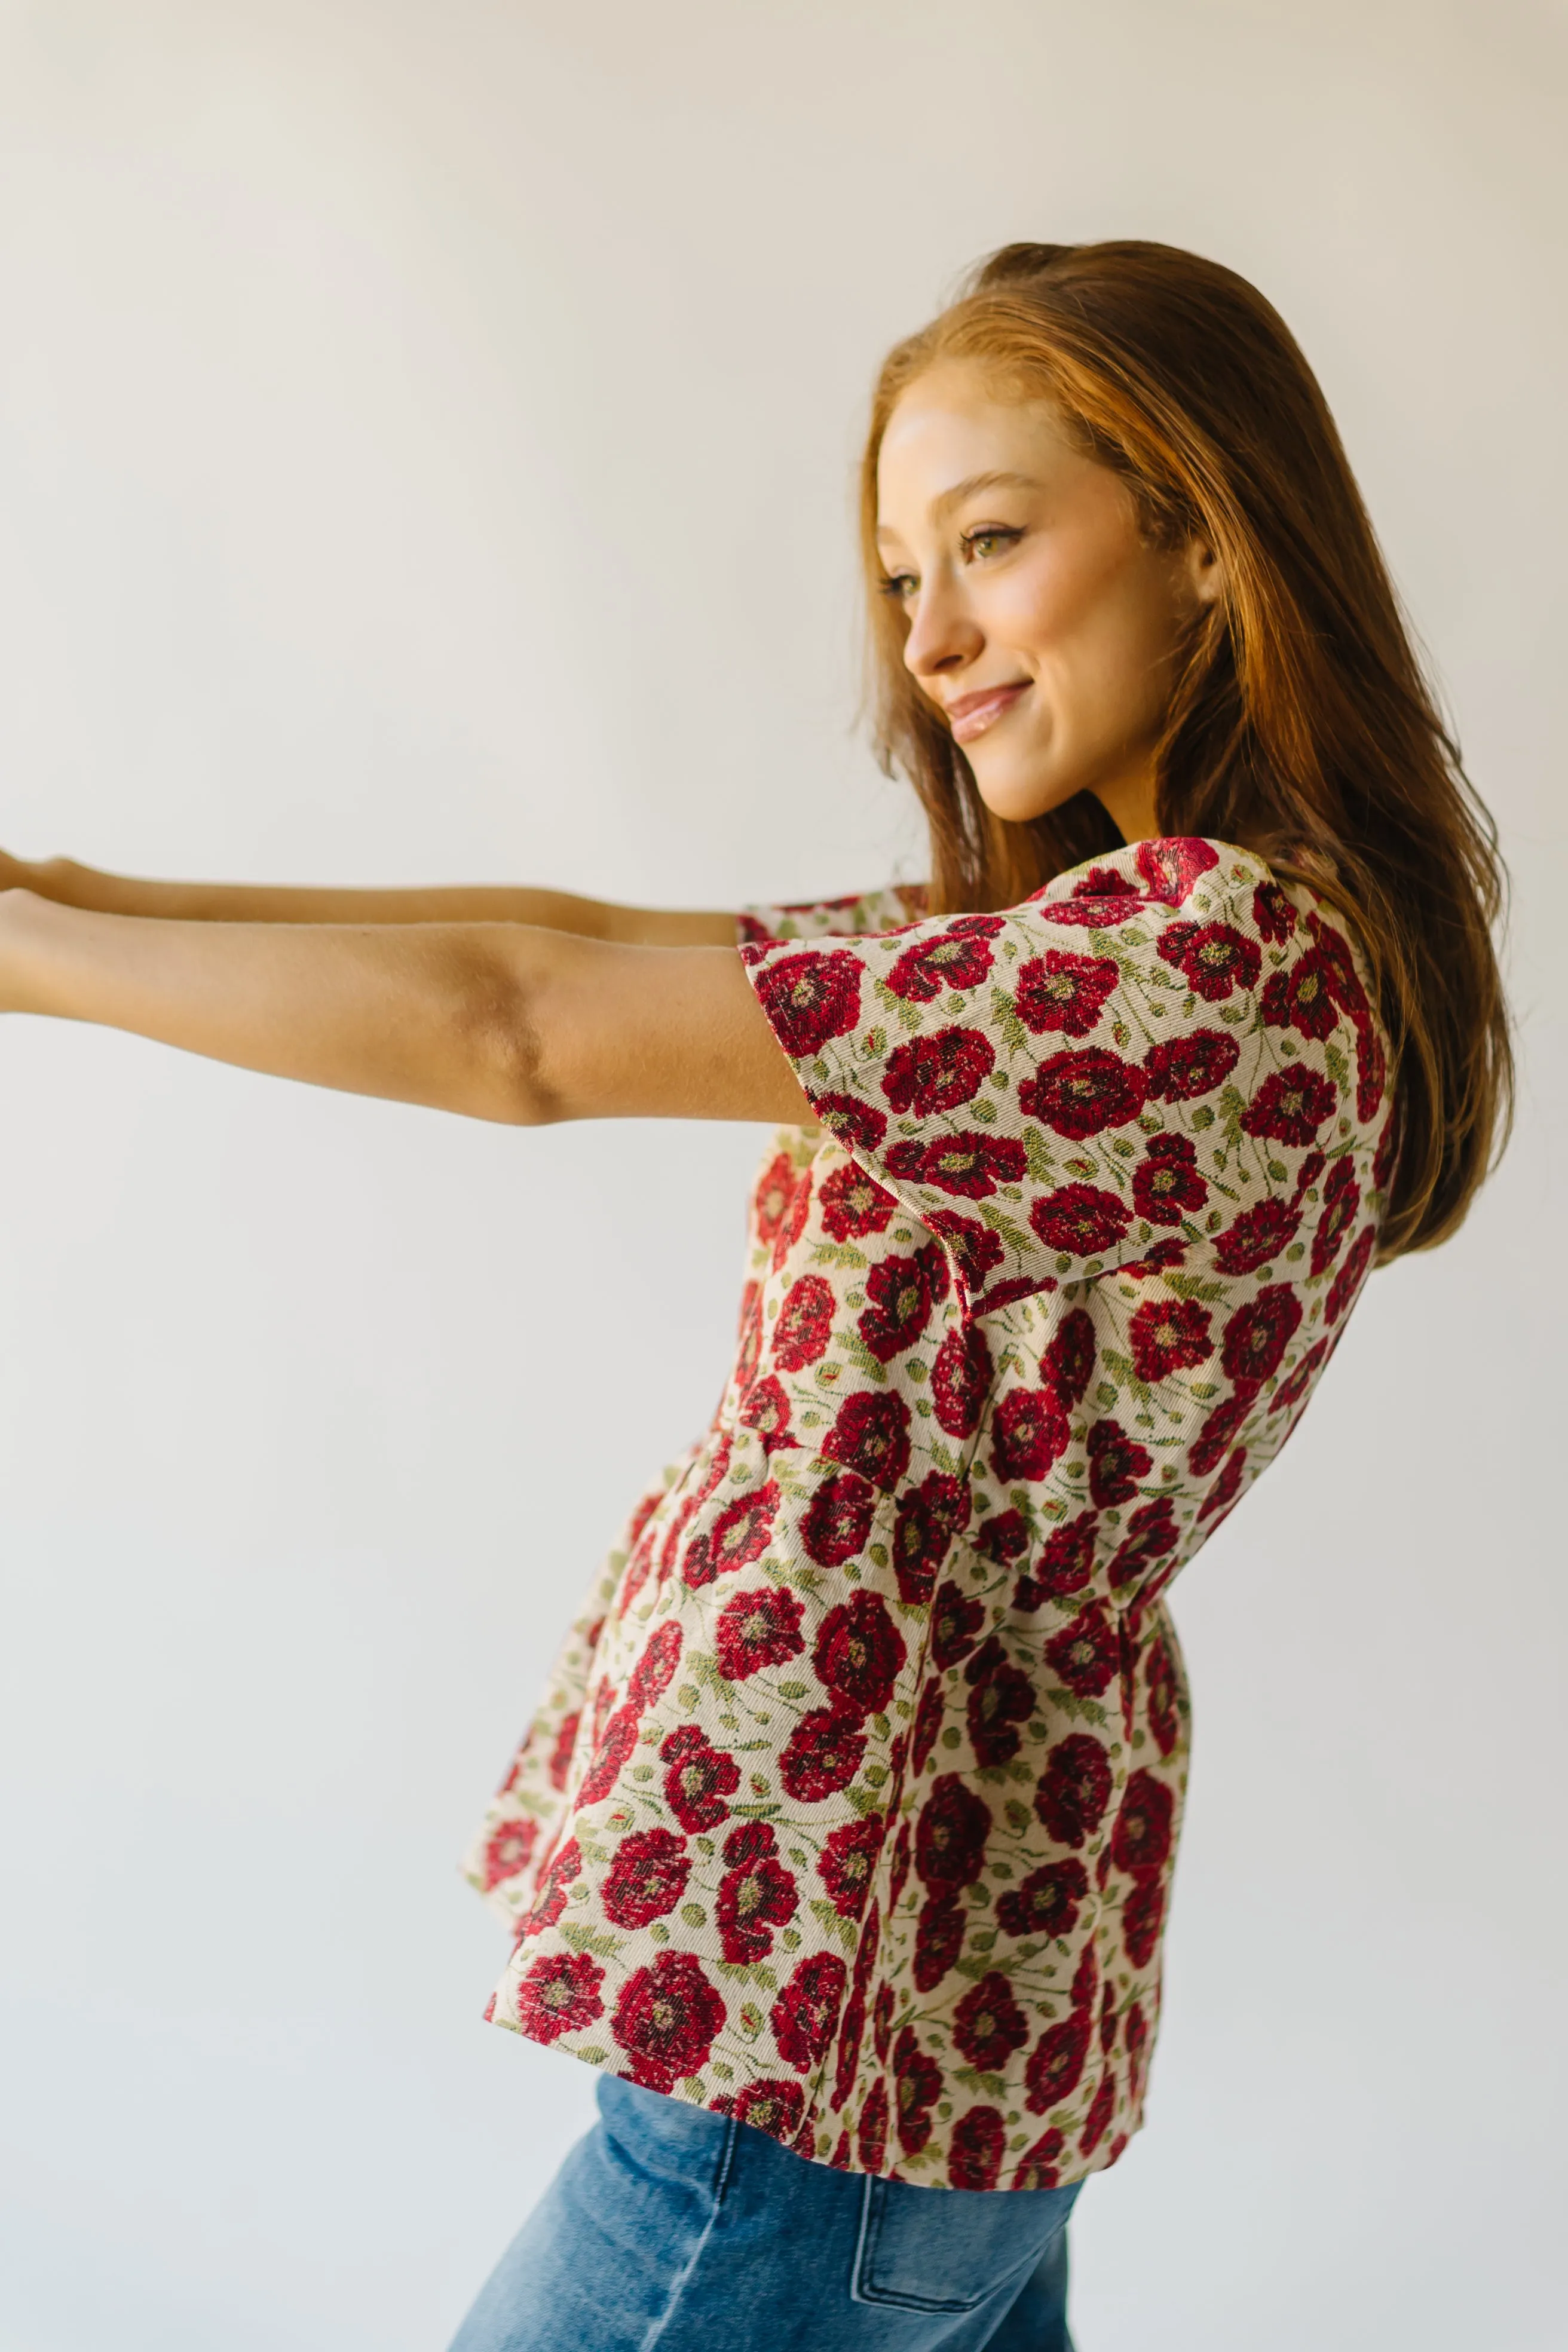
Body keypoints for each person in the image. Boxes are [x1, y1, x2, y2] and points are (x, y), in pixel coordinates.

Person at [0, 241, 1511, 2350]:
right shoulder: (1090, 952)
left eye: (992, 541)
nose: (937, 640)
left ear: (1203, 534)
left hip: (829, 2040)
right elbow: (579, 936)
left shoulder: (1192, 977)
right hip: (925, 2031)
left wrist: (26, 965)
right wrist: (66, 898)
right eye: (906, 577)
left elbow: (518, 1033)